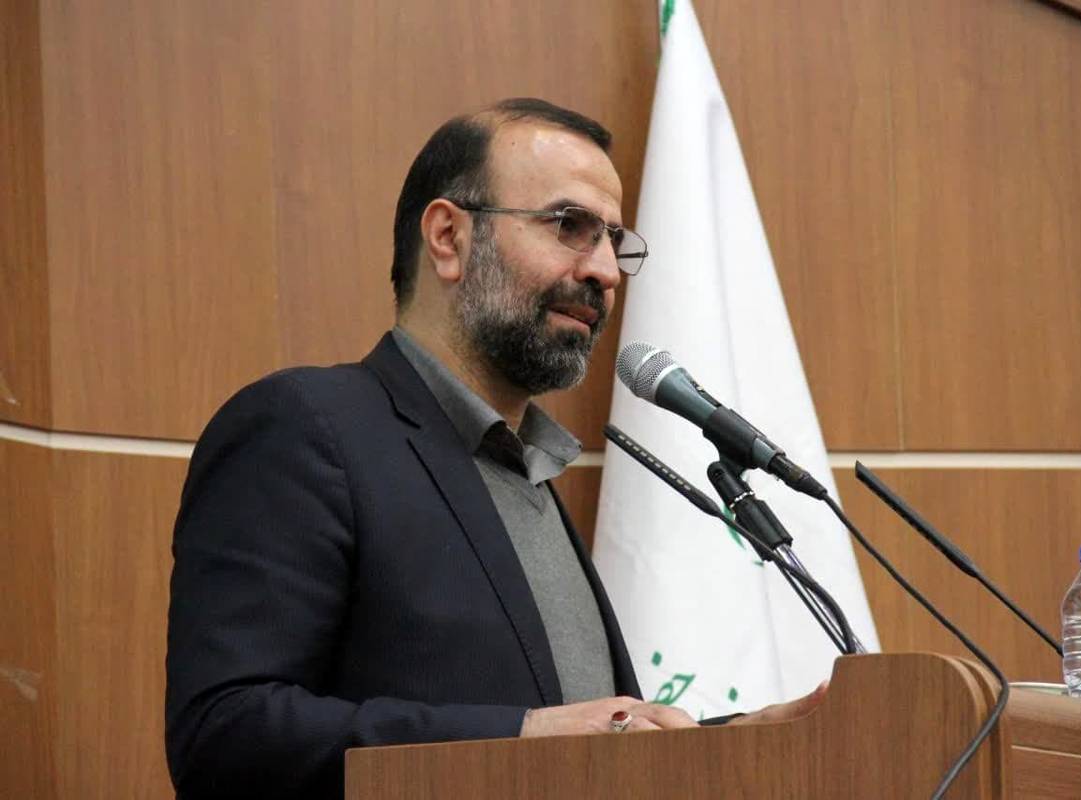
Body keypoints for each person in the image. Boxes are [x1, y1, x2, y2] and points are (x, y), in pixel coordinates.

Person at [165, 98, 825, 800]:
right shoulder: (307, 429)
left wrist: (734, 740)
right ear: (448, 237)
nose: (606, 271)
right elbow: (224, 735)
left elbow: (577, 745)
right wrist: (521, 735)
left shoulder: (528, 470)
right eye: (570, 226)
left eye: (614, 241)